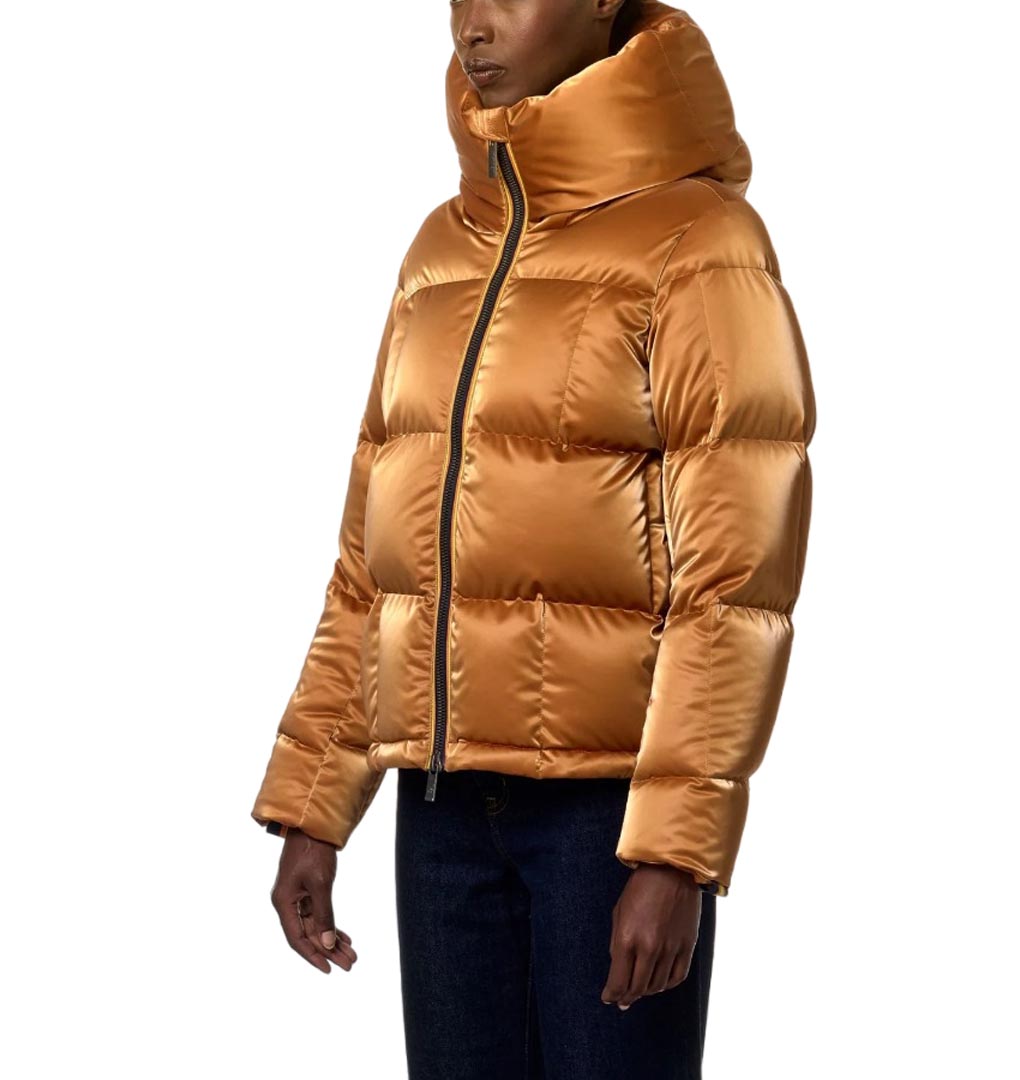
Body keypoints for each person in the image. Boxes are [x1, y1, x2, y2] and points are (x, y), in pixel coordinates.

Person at [251, 1, 815, 1076]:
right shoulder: (440, 252)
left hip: (606, 823)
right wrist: (314, 806)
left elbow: (733, 584)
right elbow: (374, 564)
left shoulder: (702, 245)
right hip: (440, 808)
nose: (474, 24)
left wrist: (674, 853)